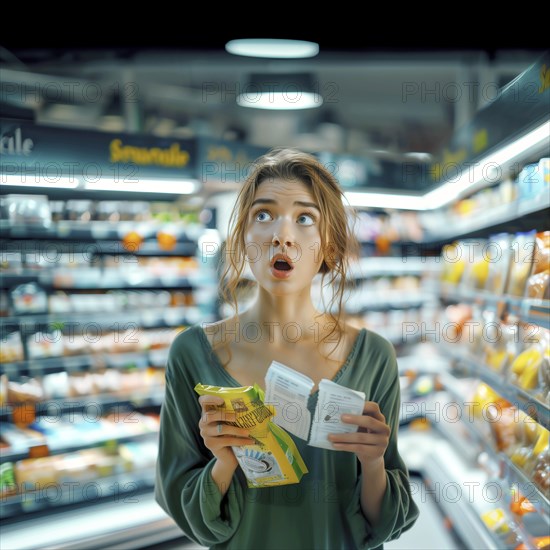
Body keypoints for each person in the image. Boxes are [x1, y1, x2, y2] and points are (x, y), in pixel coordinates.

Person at [155, 147, 419, 549]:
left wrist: (373, 462)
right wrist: (222, 461)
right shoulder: (193, 353)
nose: (282, 235)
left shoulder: (373, 357)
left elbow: (382, 523)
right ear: (243, 237)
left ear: (329, 245)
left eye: (305, 218)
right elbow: (188, 508)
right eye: (263, 215)